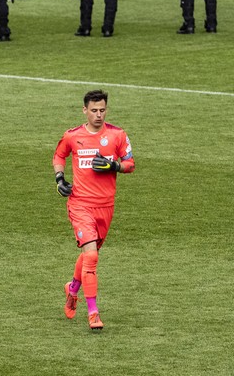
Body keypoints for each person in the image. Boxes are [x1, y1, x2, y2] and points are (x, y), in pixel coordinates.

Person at [53, 89, 135, 331]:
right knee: (91, 256)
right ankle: (93, 313)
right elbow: (59, 155)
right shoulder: (72, 136)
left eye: (102, 110)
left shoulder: (117, 135)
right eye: (94, 110)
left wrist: (115, 165)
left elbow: (131, 164)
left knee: (91, 254)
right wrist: (60, 179)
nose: (98, 115)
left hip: (105, 206)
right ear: (85, 111)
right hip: (80, 204)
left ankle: (73, 288)